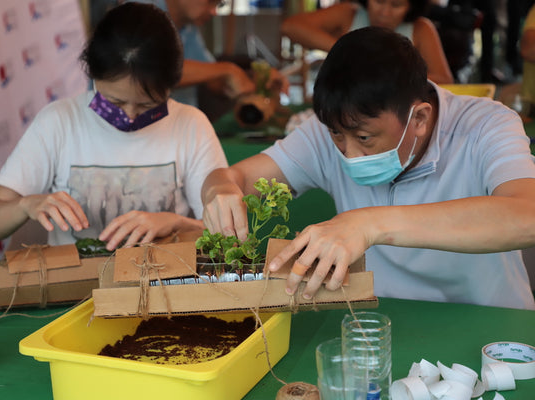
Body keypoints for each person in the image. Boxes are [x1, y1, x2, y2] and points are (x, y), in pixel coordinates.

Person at [201, 26, 535, 310]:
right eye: (337, 135)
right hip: (382, 322)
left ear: (419, 118)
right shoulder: (331, 130)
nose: (349, 153)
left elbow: (527, 215)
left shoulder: (485, 125)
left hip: (489, 326)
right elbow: (238, 177)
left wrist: (367, 225)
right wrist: (221, 189)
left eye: (365, 137)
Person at [0, 2, 227, 251]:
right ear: (92, 74)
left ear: (171, 85)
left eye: (146, 104)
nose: (128, 116)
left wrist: (178, 224)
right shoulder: (60, 122)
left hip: (162, 283)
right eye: (115, 101)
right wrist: (25, 205)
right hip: (74, 289)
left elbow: (226, 237)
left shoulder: (190, 125)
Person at [125, 0, 289, 120]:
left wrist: (253, 79)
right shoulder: (138, 12)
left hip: (180, 133)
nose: (214, 12)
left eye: (219, 4)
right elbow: (146, 69)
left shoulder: (187, 27)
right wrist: (228, 70)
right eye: (211, 1)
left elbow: (212, 78)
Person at [280, 0, 454, 84]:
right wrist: (349, 48)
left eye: (396, 5)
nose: (384, 12)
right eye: (378, 1)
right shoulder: (349, 14)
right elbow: (291, 27)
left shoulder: (420, 28)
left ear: (411, 7)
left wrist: (393, 74)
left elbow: (445, 81)